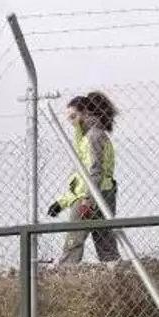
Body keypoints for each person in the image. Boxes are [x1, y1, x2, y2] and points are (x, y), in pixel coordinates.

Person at [48, 91, 120, 265]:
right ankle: (118, 283)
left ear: (86, 113)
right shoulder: (94, 136)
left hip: (90, 198)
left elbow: (95, 171)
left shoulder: (93, 137)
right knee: (106, 246)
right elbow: (82, 177)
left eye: (73, 116)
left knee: (73, 245)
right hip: (104, 194)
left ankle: (66, 282)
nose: (71, 122)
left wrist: (88, 199)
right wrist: (63, 202)